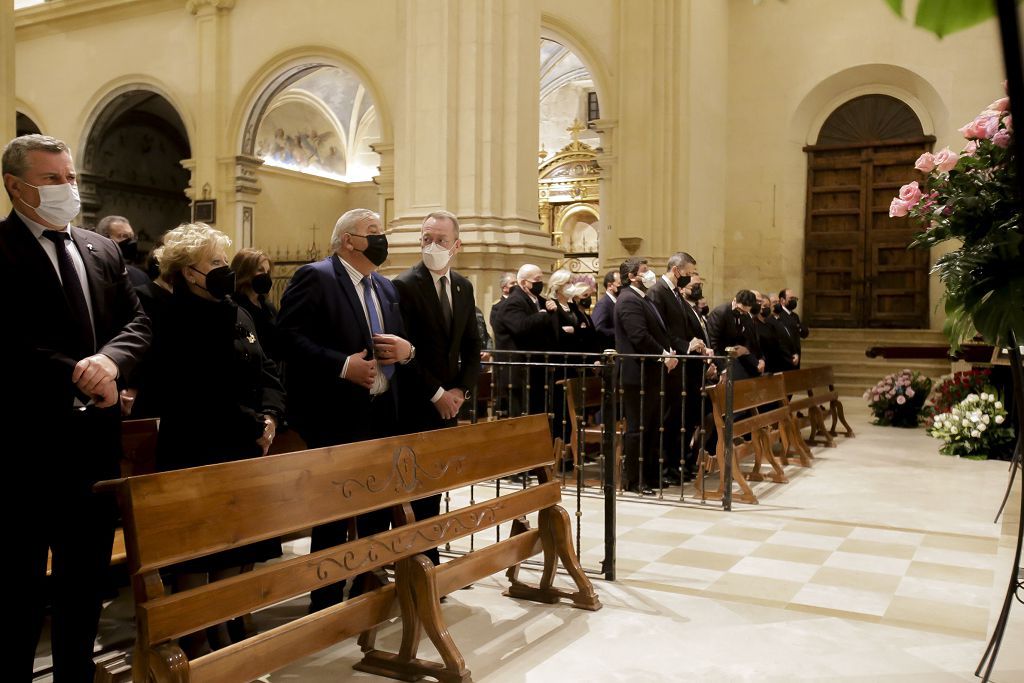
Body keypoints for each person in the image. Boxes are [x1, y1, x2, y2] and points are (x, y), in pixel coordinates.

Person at [2, 134, 151, 681]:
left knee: (83, 581)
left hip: (94, 448)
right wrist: (78, 373)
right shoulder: (1, 249)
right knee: (21, 588)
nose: (68, 189)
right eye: (52, 180)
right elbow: (10, 341)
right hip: (27, 448)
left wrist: (110, 363)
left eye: (71, 178)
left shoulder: (100, 247)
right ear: (16, 187)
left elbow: (137, 323)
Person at [149, 222, 285, 655]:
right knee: (198, 547)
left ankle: (227, 622)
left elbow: (264, 368)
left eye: (225, 261)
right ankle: (195, 632)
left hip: (241, 442)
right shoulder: (176, 316)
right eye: (216, 263)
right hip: (197, 444)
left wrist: (271, 416)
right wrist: (254, 425)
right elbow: (198, 390)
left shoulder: (235, 308)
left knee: (233, 542)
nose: (225, 269)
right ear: (190, 271)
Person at [277, 207, 414, 611]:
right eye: (373, 231)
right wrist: (342, 365)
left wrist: (407, 352)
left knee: (375, 507)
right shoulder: (316, 277)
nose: (381, 238)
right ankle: (325, 601)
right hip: (333, 413)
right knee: (335, 512)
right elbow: (285, 338)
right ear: (348, 240)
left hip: (382, 409)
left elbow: (400, 341)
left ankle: (367, 588)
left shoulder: (385, 287)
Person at [393, 210, 481, 565]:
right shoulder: (404, 284)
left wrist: (461, 391)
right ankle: (416, 564)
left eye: (441, 240)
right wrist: (437, 394)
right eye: (427, 238)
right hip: (416, 403)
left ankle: (428, 560)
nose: (433, 246)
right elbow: (404, 350)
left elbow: (472, 346)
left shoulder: (463, 285)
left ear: (456, 245)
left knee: (436, 489)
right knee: (413, 491)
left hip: (449, 405)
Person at [614, 257, 677, 494]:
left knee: (651, 427)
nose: (650, 274)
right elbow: (639, 336)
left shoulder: (644, 298)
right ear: (631, 277)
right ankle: (634, 480)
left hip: (650, 371)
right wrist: (663, 355)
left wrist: (669, 352)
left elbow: (659, 331)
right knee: (638, 428)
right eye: (645, 271)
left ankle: (650, 476)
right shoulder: (628, 299)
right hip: (636, 373)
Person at [648, 253, 706, 485]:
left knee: (677, 420)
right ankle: (663, 467)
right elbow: (660, 330)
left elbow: (680, 328)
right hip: (667, 364)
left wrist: (695, 343)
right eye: (689, 273)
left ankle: (674, 466)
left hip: (680, 363)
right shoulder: (658, 292)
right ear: (677, 270)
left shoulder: (675, 294)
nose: (690, 277)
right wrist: (684, 345)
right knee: (667, 419)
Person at [494, 263, 557, 417]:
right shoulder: (513, 302)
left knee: (538, 415)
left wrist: (552, 312)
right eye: (536, 280)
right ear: (523, 283)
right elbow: (520, 327)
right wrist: (542, 315)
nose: (540, 284)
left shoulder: (539, 301)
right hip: (518, 372)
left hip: (536, 370)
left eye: (541, 279)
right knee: (521, 418)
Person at [231, 248, 281, 363]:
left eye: (267, 272)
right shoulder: (236, 307)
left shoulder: (268, 306)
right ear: (244, 272)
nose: (265, 276)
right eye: (260, 270)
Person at [706, 289, 760, 380]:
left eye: (745, 312)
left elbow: (747, 337)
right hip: (718, 357)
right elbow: (713, 343)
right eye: (740, 309)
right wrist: (722, 370)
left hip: (732, 355)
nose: (741, 313)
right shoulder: (721, 313)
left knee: (754, 371)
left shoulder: (745, 314)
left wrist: (745, 349)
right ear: (734, 300)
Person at [96, 214, 150, 286]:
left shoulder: (141, 277)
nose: (132, 241)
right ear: (104, 238)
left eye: (133, 237)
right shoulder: (94, 272)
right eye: (124, 236)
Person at [778, 288, 809, 367]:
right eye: (791, 298)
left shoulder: (795, 316)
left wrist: (801, 328)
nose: (794, 301)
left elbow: (803, 334)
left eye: (795, 299)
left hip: (796, 355)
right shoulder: (778, 315)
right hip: (785, 357)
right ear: (782, 300)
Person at [591, 270, 620, 350]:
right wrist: (619, 332)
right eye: (619, 284)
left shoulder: (616, 302)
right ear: (610, 285)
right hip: (607, 351)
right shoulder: (603, 304)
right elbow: (598, 328)